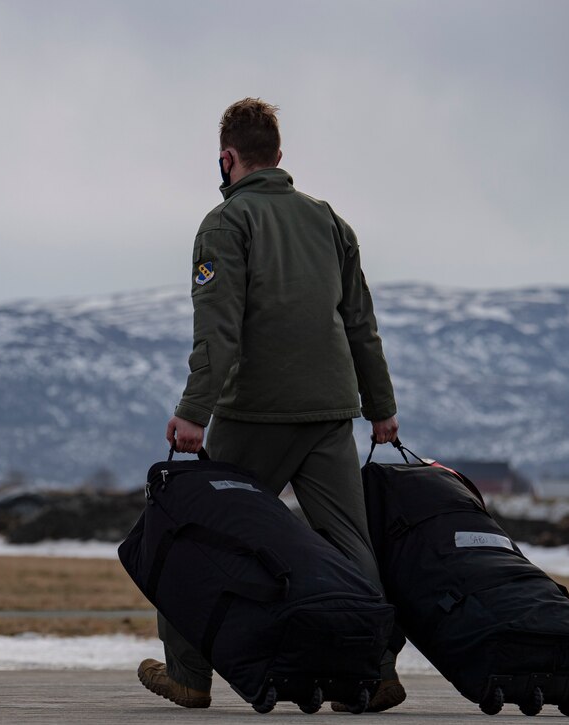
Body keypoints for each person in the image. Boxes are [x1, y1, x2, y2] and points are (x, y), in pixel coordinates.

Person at [137, 98, 404, 712]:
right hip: (330, 412)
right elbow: (361, 324)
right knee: (349, 543)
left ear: (228, 158)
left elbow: (220, 331)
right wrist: (381, 407)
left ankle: (188, 674)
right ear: (279, 159)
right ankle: (375, 670)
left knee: (191, 532)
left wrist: (194, 411)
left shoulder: (225, 225)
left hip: (256, 413)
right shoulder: (330, 222)